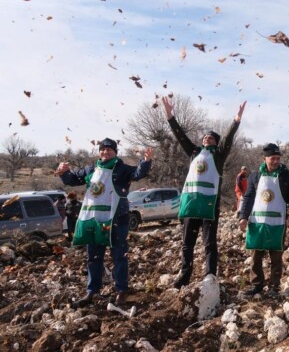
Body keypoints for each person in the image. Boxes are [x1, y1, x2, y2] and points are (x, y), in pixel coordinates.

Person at [55, 138, 153, 307]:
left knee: (119, 256)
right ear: (99, 151)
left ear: (115, 152)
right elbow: (73, 179)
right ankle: (92, 291)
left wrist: (145, 161)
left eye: (109, 150)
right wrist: (64, 172)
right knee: (93, 257)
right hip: (94, 219)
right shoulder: (91, 169)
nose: (105, 152)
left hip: (117, 219)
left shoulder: (122, 169)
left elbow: (138, 173)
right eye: (103, 149)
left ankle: (121, 290)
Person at [162, 96, 246, 288]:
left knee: (209, 243)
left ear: (216, 142)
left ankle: (210, 275)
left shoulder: (218, 155)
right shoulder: (194, 153)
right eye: (205, 137)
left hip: (209, 205)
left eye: (211, 137)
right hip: (191, 205)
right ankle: (184, 276)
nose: (207, 138)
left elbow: (228, 139)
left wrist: (236, 120)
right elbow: (181, 137)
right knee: (187, 243)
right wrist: (170, 116)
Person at [238, 143, 289, 296]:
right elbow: (248, 197)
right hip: (257, 221)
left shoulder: (287, 175)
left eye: (278, 158)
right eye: (273, 158)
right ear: (264, 159)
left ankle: (274, 286)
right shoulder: (255, 176)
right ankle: (256, 285)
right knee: (256, 255)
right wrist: (243, 217)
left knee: (276, 256)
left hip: (277, 222)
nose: (276, 161)